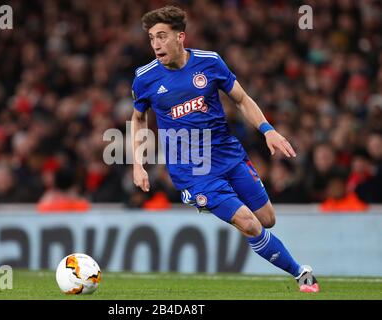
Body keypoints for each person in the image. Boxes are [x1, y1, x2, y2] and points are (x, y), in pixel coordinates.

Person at [130, 6, 319, 292]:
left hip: (229, 155)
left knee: (267, 220)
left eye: (162, 36)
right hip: (193, 171)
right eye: (151, 38)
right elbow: (139, 117)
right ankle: (302, 275)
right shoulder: (145, 78)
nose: (155, 44)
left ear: (180, 37)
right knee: (249, 223)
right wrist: (138, 163)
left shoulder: (210, 63)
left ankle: (225, 206)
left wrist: (268, 130)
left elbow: (242, 99)